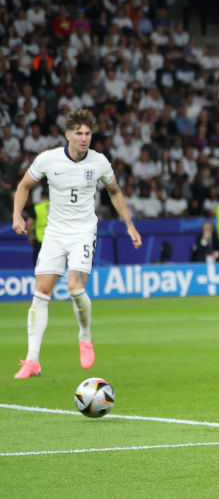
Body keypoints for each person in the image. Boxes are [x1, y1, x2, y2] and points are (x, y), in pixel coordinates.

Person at [10, 109, 142, 378]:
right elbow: (23, 186)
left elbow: (115, 192)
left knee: (74, 287)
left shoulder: (99, 162)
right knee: (41, 293)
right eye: (79, 133)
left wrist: (129, 224)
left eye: (88, 133)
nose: (84, 138)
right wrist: (17, 215)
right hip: (55, 234)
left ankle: (84, 336)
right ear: (68, 134)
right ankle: (33, 361)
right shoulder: (48, 160)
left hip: (83, 232)